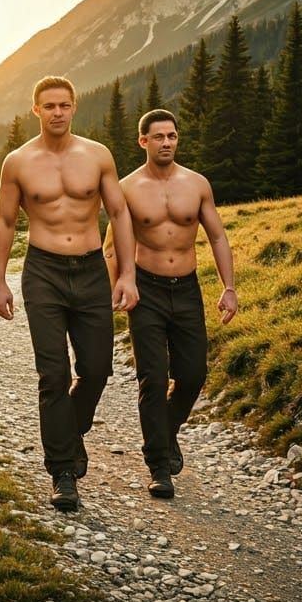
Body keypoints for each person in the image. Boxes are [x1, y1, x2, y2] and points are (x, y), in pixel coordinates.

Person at [0, 75, 139, 512]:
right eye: (49, 106)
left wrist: (127, 274)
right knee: (52, 373)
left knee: (96, 369)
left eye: (64, 105)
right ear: (36, 110)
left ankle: (70, 432)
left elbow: (118, 211)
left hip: (93, 270)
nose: (57, 112)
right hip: (44, 271)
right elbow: (3, 222)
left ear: (74, 108)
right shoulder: (17, 162)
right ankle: (62, 471)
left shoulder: (97, 156)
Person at [103, 108, 237, 499]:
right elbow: (112, 248)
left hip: (188, 288)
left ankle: (166, 430)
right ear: (143, 141)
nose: (166, 143)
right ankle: (159, 465)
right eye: (158, 137)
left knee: (193, 374)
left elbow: (216, 237)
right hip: (146, 290)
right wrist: (116, 289)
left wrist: (229, 287)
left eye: (172, 136)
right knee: (153, 377)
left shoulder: (196, 185)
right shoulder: (127, 188)